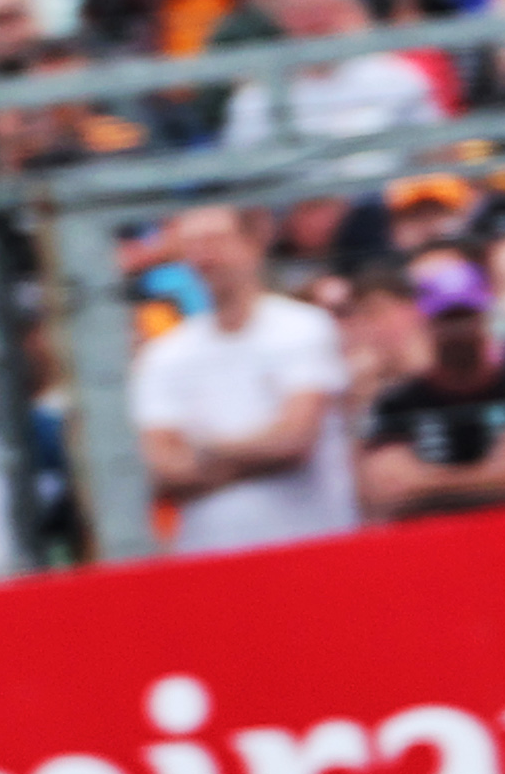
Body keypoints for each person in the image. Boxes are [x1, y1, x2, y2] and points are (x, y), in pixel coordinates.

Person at [129, 200, 353, 548]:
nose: (205, 257)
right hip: (210, 561)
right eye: (194, 245)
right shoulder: (165, 354)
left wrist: (201, 447)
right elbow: (161, 469)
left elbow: (295, 439)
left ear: (253, 242)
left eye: (216, 240)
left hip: (311, 548)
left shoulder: (303, 326)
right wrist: (260, 451)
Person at [358, 254, 505, 515]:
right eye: (446, 319)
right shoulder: (401, 399)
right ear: (426, 322)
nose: (458, 330)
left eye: (466, 316)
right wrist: (493, 477)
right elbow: (388, 485)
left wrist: (425, 484)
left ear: (484, 315)